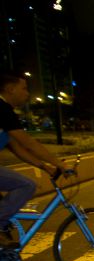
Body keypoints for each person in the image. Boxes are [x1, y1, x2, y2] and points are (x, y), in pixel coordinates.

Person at [0, 70, 67, 250]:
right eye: (24, 88)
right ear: (10, 89)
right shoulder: (2, 108)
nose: (27, 93)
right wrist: (59, 163)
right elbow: (28, 143)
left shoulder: (5, 112)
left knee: (6, 219)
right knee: (26, 185)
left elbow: (17, 148)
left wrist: (45, 166)